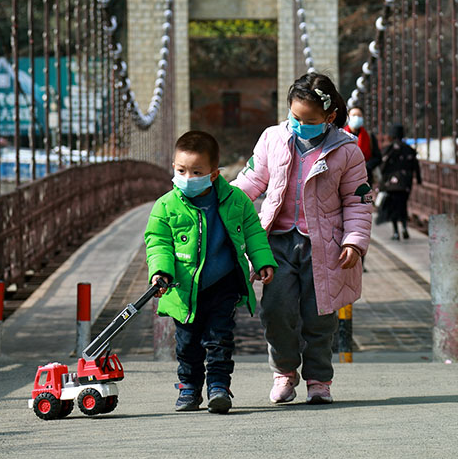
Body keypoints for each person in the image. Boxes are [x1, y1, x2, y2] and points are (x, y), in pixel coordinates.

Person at [233, 72, 372, 405]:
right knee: (276, 310)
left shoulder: (347, 152)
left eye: (309, 120)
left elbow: (358, 201)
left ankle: (319, 380)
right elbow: (251, 181)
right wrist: (218, 204)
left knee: (320, 316)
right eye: (295, 117)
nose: (300, 125)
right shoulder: (272, 139)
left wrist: (354, 241)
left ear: (329, 117)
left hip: (325, 247)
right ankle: (284, 372)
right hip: (275, 242)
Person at [144, 131, 277, 414]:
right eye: (181, 170)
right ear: (173, 168)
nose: (188, 177)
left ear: (214, 174)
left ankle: (218, 387)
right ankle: (189, 387)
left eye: (197, 171)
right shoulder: (165, 206)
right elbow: (157, 243)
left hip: (223, 284)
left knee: (220, 339)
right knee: (187, 343)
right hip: (183, 288)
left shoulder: (236, 200)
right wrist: (160, 272)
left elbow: (253, 231)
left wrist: (263, 260)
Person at [376, 124, 422, 240]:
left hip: (391, 185)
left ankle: (396, 232)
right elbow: (415, 166)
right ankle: (405, 228)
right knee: (403, 206)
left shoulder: (388, 150)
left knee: (394, 208)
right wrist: (419, 179)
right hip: (405, 184)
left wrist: (379, 182)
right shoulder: (410, 150)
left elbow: (382, 167)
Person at [344, 107, 382, 186]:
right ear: (348, 117)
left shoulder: (369, 136)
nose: (356, 118)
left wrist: (367, 166)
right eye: (353, 115)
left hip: (365, 178)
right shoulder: (341, 135)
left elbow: (378, 157)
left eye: (359, 115)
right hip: (345, 178)